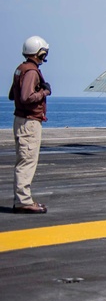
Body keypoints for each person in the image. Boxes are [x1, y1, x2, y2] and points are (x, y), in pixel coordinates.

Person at [9, 36, 51, 213]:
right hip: (29, 122)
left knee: (23, 161)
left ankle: (23, 199)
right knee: (27, 162)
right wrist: (43, 92)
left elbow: (13, 95)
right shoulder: (32, 72)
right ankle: (24, 201)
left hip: (20, 120)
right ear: (39, 52)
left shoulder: (21, 69)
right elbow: (26, 97)